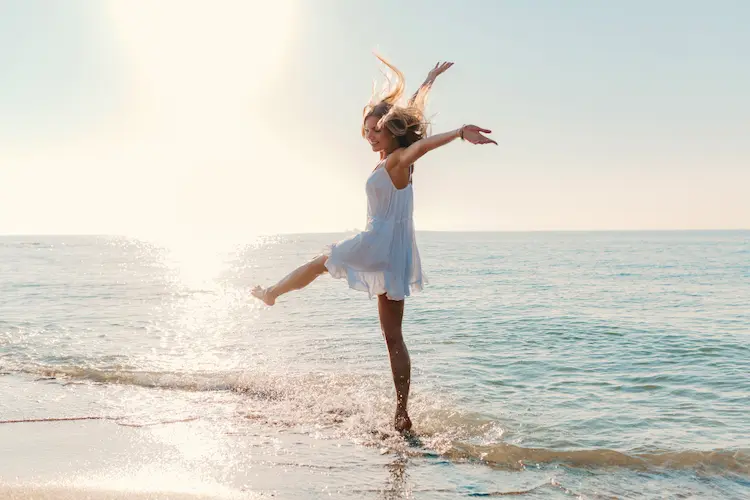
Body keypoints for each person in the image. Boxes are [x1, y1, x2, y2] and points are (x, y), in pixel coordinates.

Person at [252, 56, 496, 432]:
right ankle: (401, 414)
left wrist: (460, 132)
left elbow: (423, 145)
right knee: (393, 338)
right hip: (396, 252)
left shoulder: (398, 159)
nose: (369, 135)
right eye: (366, 130)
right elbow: (411, 114)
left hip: (379, 239)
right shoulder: (392, 156)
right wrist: (428, 80)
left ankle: (271, 293)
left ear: (392, 133)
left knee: (323, 260)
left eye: (376, 130)